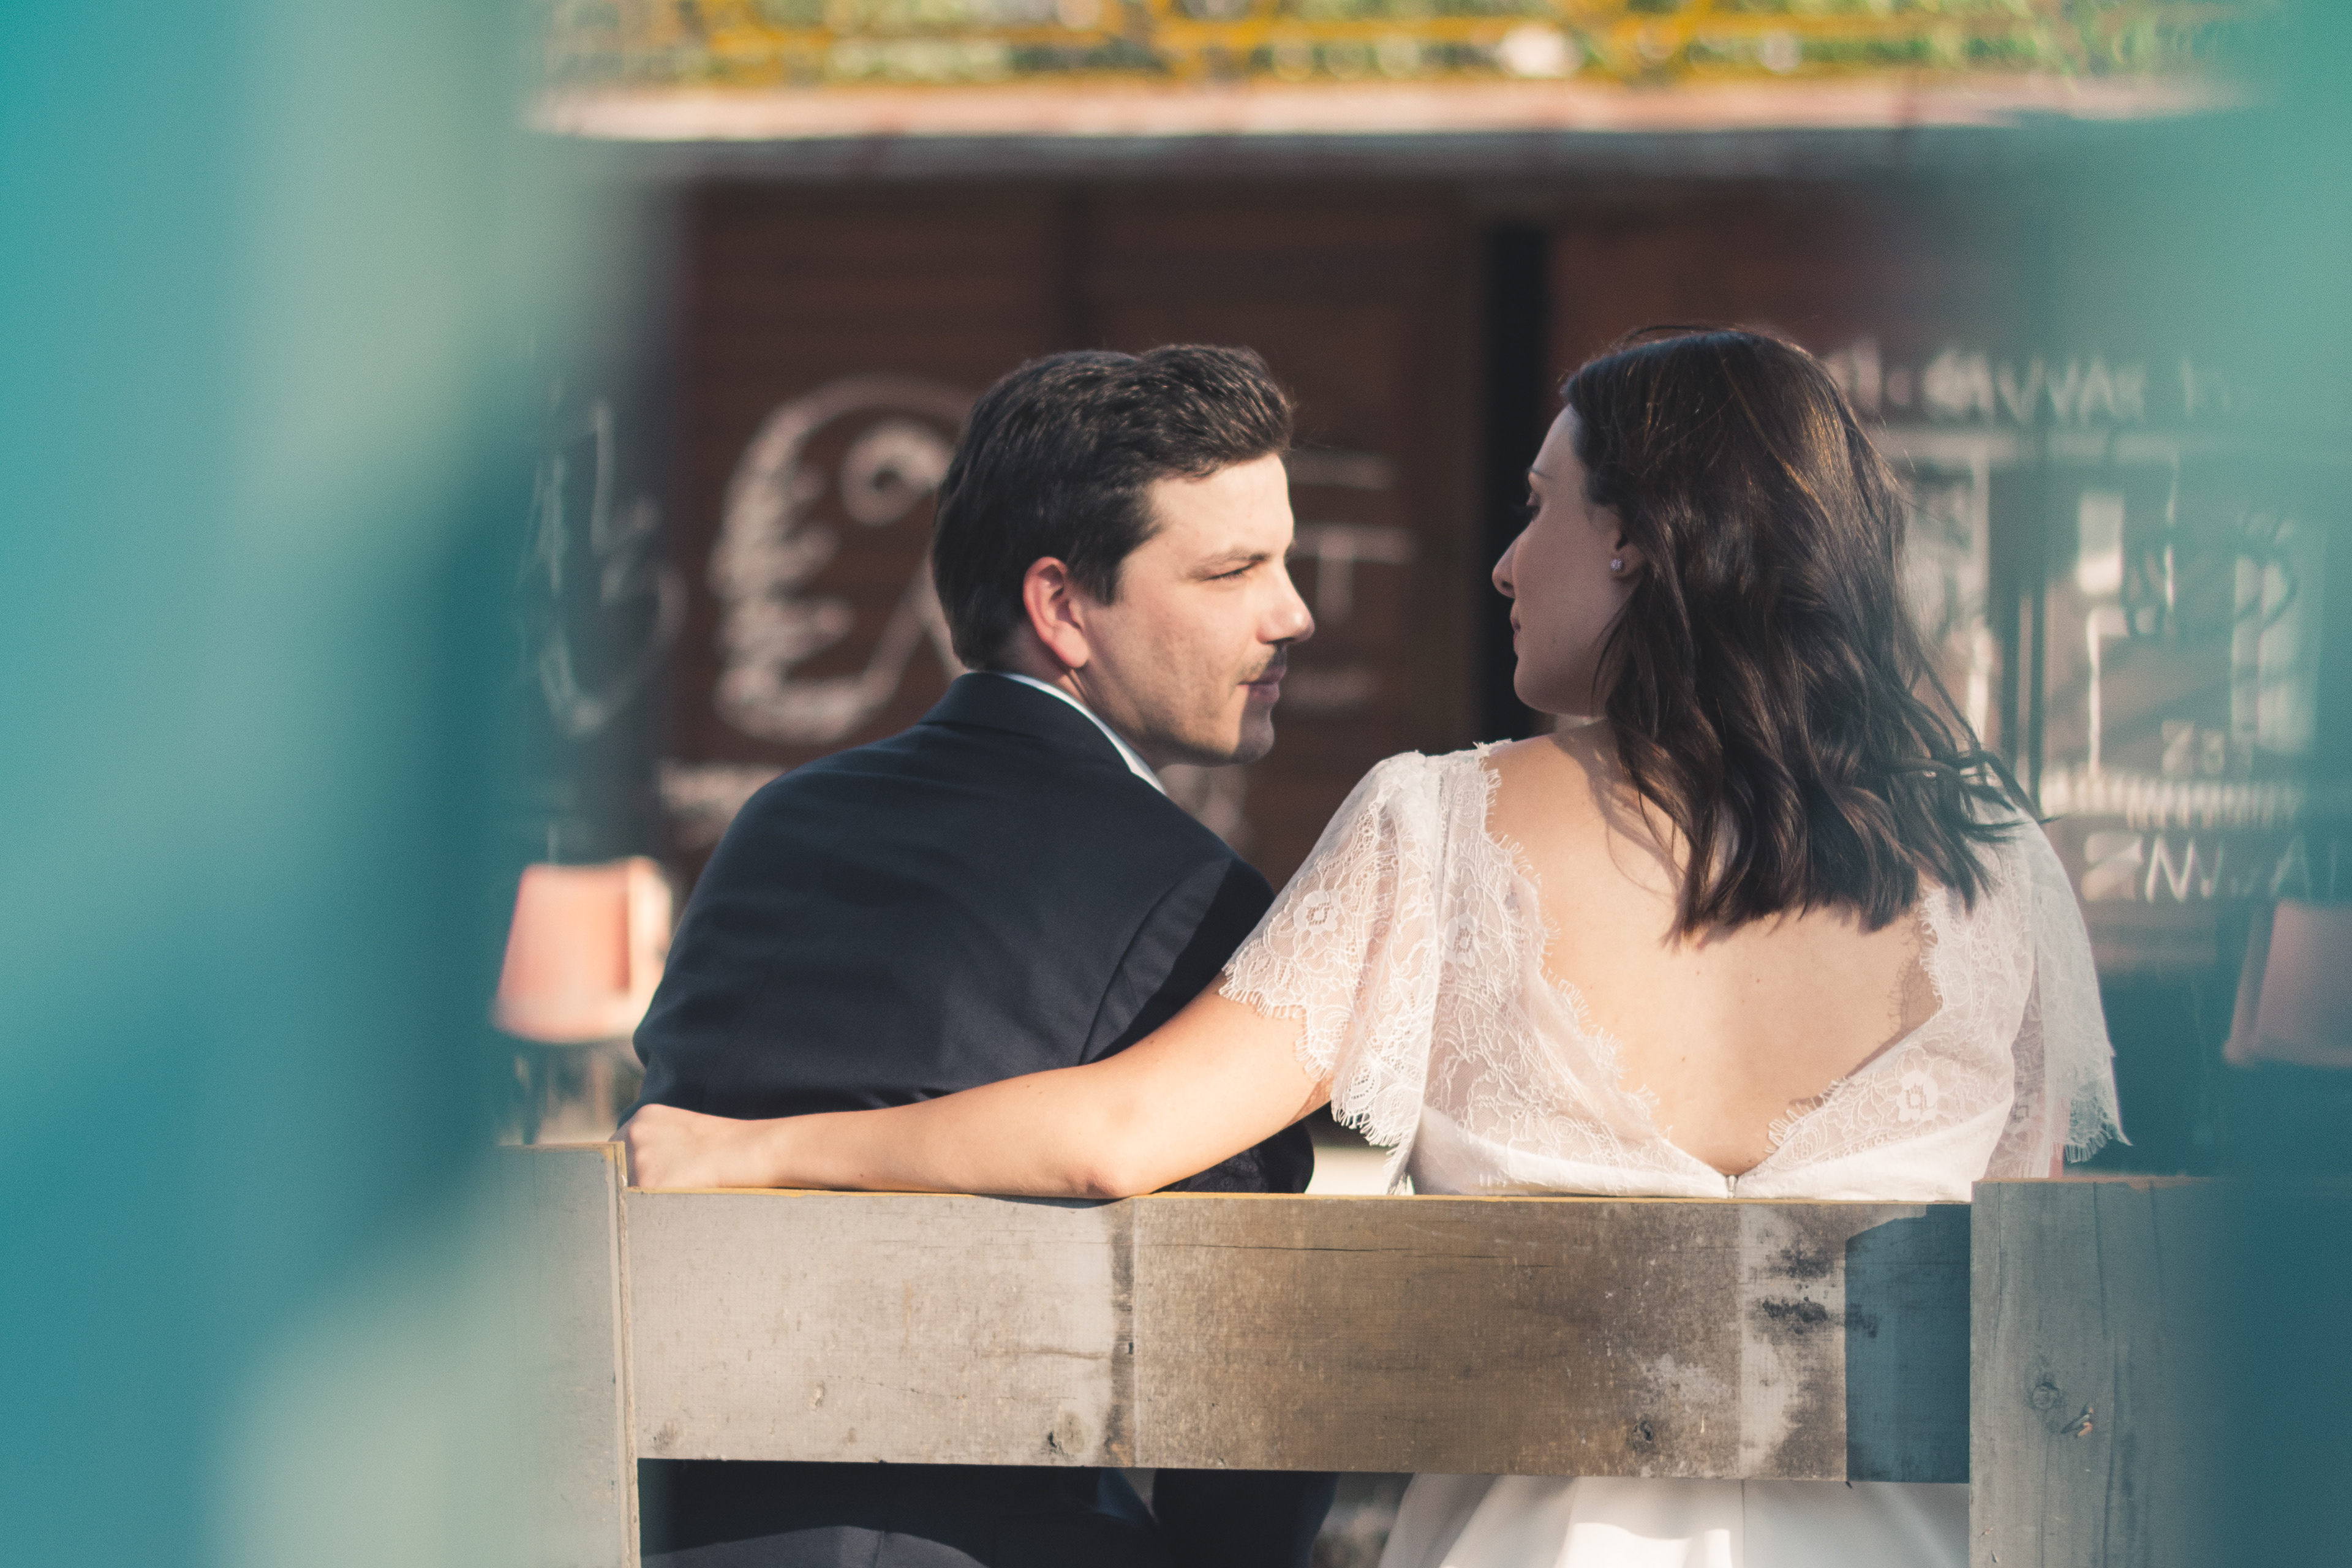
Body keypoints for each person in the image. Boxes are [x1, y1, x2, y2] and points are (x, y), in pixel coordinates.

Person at [623, 328, 2123, 1568]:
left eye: (1539, 507)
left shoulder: (1438, 823)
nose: (1504, 563)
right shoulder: (2007, 869)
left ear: (1639, 547)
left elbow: (1116, 1136)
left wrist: (746, 1151)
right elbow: (2047, 1277)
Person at [625, 344, 1336, 1568]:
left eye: (1284, 561)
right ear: (1062, 607)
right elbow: (1244, 1358)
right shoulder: (1195, 899)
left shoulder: (781, 819)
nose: (1294, 613)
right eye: (1233, 570)